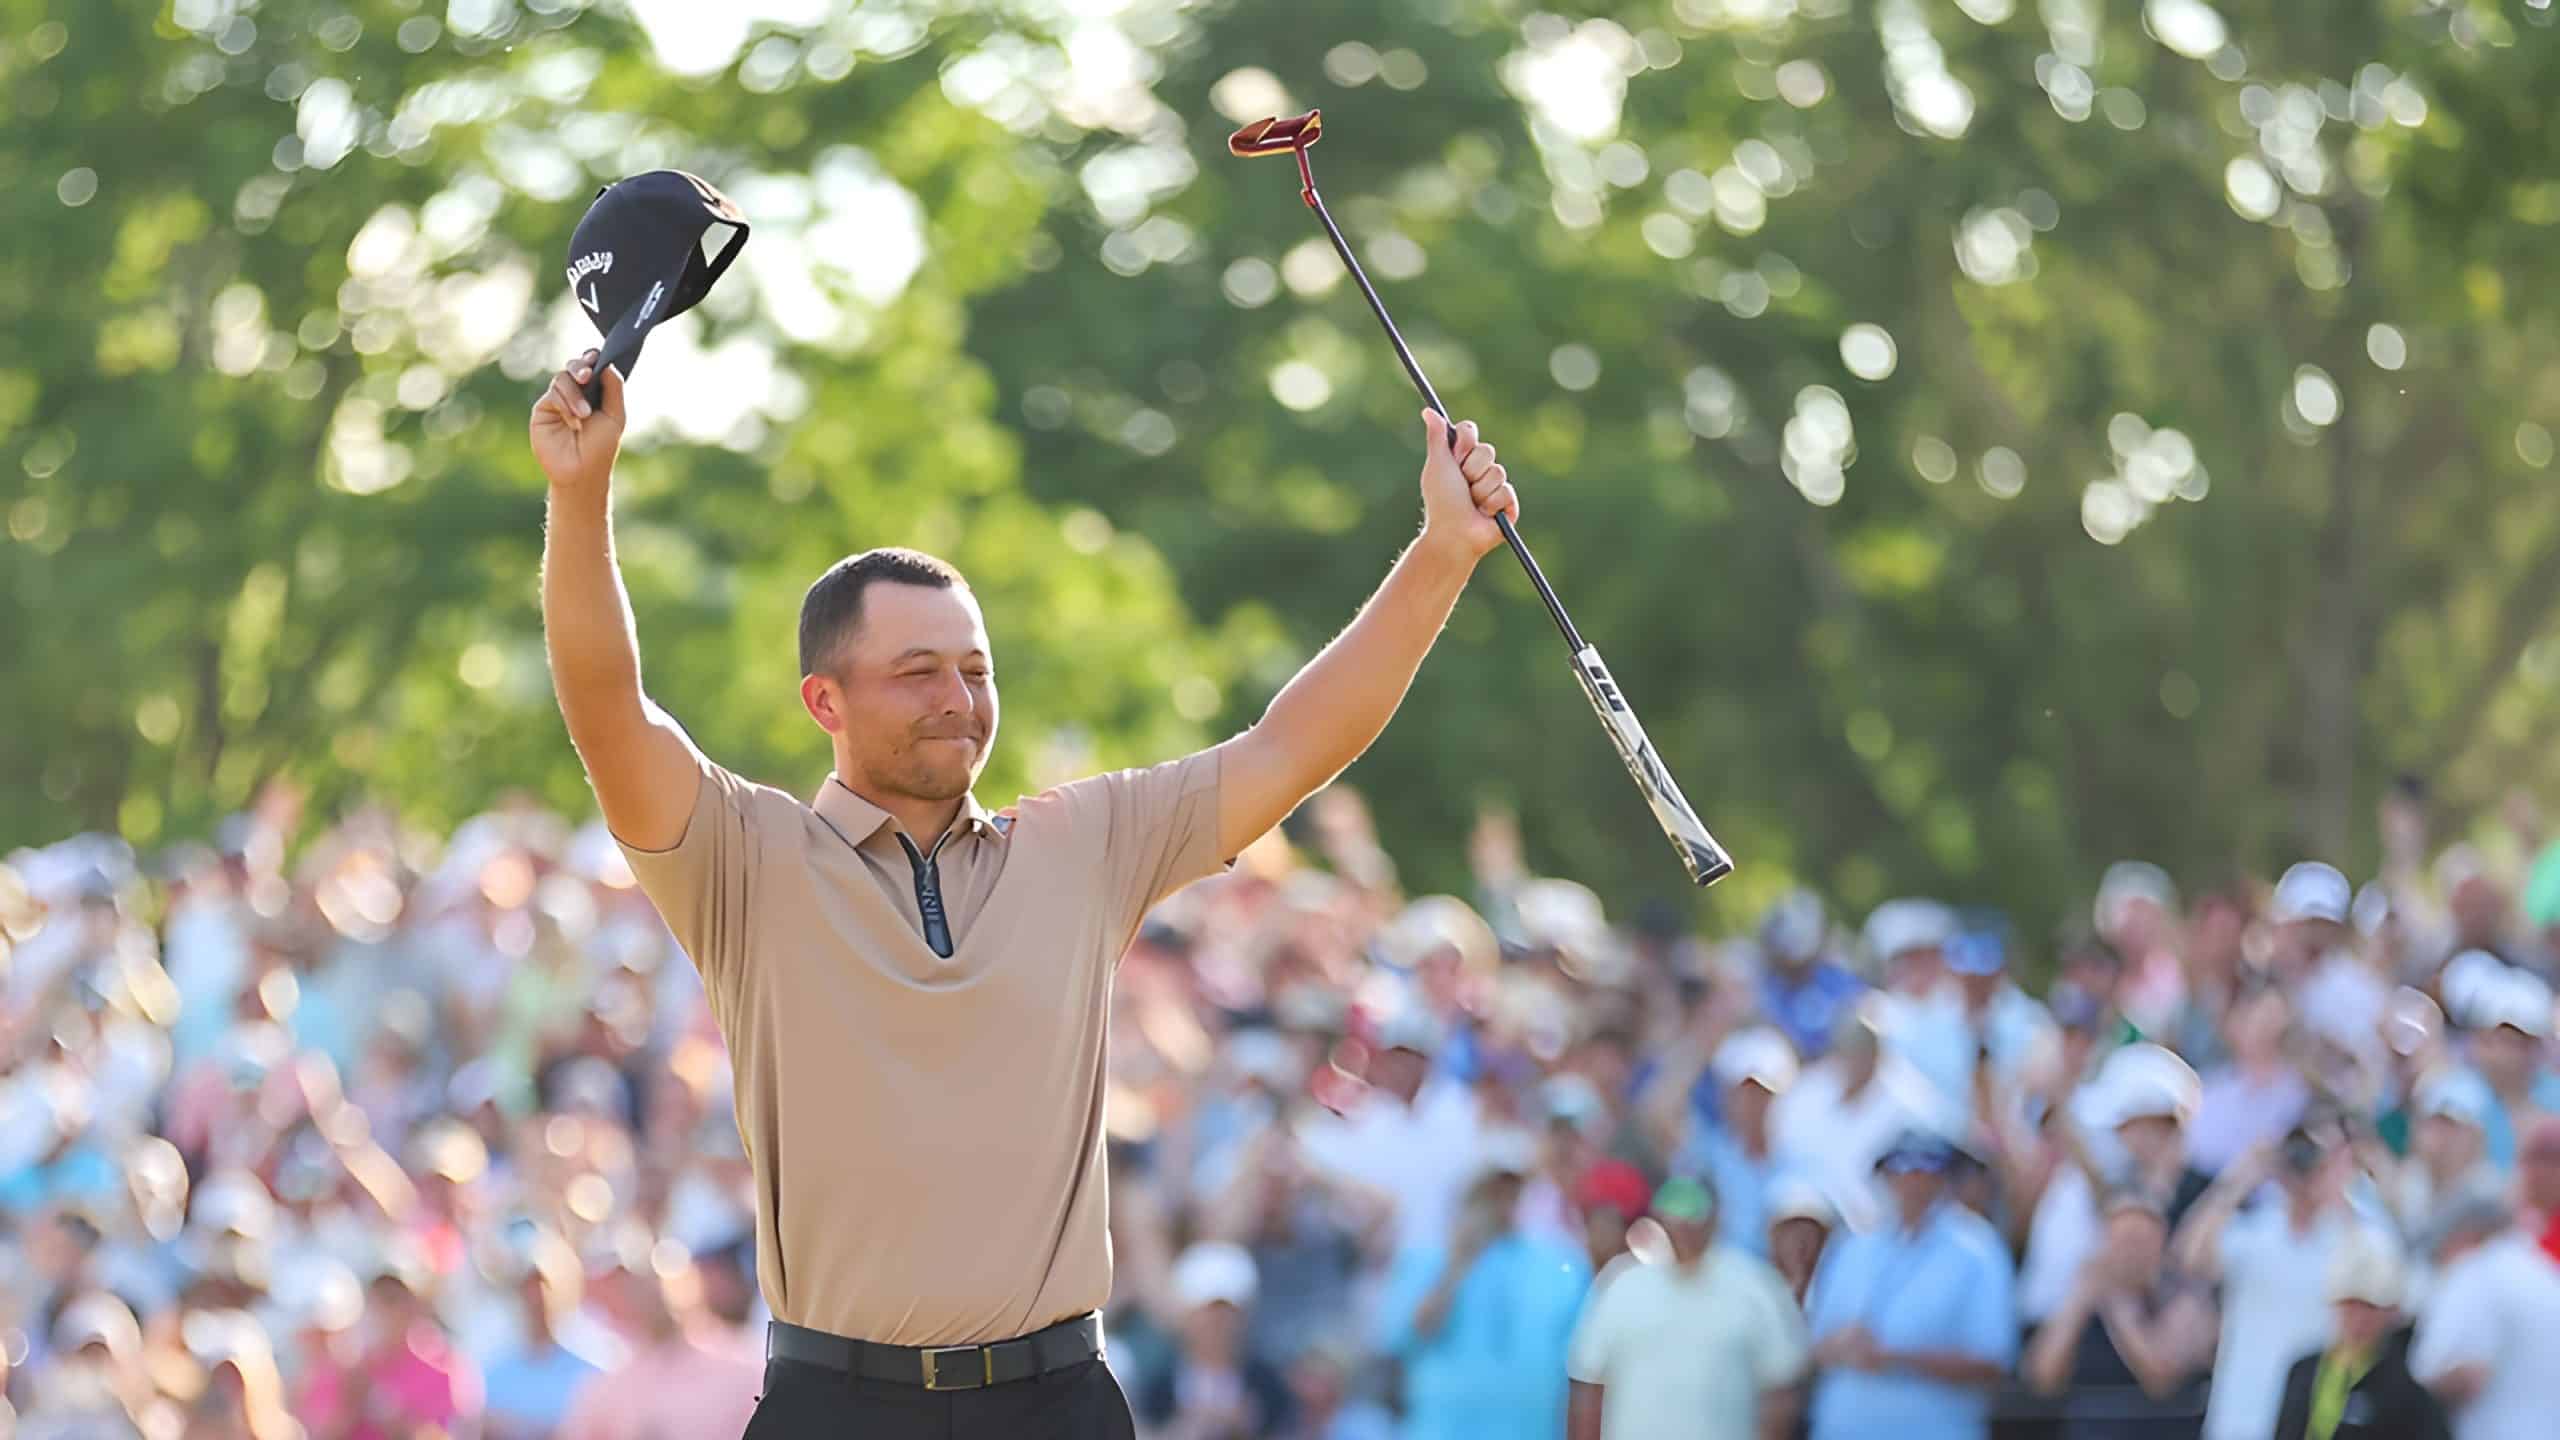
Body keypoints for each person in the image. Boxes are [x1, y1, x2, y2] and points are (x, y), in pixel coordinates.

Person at [530, 281, 1523, 1438]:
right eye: (917, 674)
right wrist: (582, 492)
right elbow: (608, 708)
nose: (959, 701)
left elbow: (1294, 744)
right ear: (824, 700)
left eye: (976, 669)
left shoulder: (1084, 842)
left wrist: (1444, 552)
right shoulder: (744, 858)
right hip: (835, 1407)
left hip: (1058, 1403)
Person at [2174, 1121, 2394, 1440]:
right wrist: (2239, 1179)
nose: (2305, 1166)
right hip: (2240, 1418)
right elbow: (2189, 1259)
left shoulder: (2356, 1231)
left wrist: (2340, 1189)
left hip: (2313, 1421)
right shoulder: (2254, 1231)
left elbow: (2386, 1282)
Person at [1802, 1130, 2017, 1440]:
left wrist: (1896, 1358)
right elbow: (1814, 1345)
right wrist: (1843, 1346)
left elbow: (1993, 1362)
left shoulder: (1978, 1251)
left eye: (1924, 1172)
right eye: (1900, 1171)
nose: (1911, 1184)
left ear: (1945, 1179)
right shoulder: (1854, 1245)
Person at [1373, 1138, 1590, 1440]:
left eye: (1509, 1190)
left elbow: (1582, 1366)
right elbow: (1399, 1339)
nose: (1499, 1201)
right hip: (1441, 1430)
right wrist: (1458, 1262)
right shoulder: (1426, 1260)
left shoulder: (1559, 1263)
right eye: (1489, 1191)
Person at [1567, 1175, 1809, 1440]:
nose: (1681, 1229)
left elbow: (1782, 1390)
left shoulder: (1755, 1285)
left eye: (1691, 1219)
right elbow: (1589, 1385)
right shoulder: (1621, 1283)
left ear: (1714, 1219)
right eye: (1672, 1219)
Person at [2022, 1188, 2215, 1439]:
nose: (2129, 1253)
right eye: (2120, 1241)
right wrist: (2079, 1300)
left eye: (2139, 1241)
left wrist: (2118, 1306)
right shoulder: (2084, 1300)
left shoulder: (2183, 1297)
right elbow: (2042, 1378)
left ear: (2161, 1244)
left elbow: (2159, 1378)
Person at [556, 1249, 763, 1440]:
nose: (647, 1291)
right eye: (630, 1283)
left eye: (653, 1276)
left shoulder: (746, 1368)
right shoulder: (605, 1389)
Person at [2271, 1232, 2450, 1440]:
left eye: (2369, 1307)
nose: (2358, 1318)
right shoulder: (2303, 1370)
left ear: (2390, 1312)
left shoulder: (2405, 1393)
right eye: (2350, 1305)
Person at [1132, 1243, 1293, 1440]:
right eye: (1209, 1313)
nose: (1218, 1324)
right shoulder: (1157, 1386)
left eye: (1227, 1314)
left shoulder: (1271, 1386)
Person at [1676, 1026, 1800, 1257]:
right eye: (1742, 1093)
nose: (1751, 1105)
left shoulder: (1803, 1159)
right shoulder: (1704, 1158)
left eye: (1763, 1095)